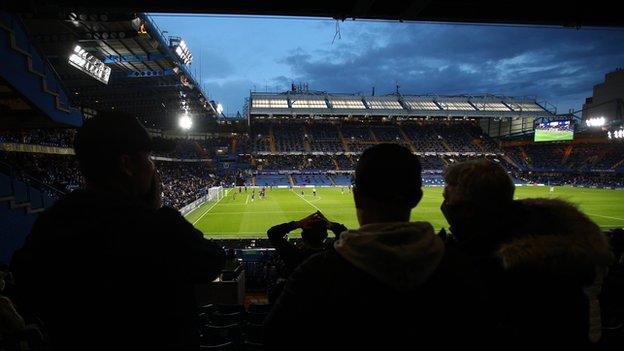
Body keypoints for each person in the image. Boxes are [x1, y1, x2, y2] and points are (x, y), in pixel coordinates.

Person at [10, 112, 225, 351]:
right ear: (127, 165)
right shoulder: (157, 226)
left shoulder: (52, 222)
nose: (153, 166)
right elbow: (213, 261)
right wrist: (153, 209)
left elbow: (24, 286)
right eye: (149, 157)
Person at [265, 144, 487, 349]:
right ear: (417, 198)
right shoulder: (464, 268)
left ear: (356, 196)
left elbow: (274, 336)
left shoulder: (316, 273)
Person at [440, 159, 613, 349]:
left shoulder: (489, 266)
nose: (445, 205)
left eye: (448, 198)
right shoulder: (556, 242)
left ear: (469, 209)